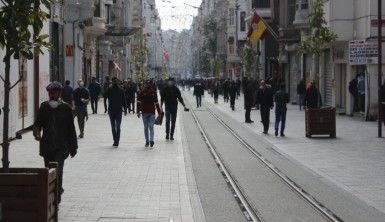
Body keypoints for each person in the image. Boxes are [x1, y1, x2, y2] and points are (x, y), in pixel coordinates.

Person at [33, 81, 78, 203]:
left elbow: (71, 129)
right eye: (50, 93)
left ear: (59, 93)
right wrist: (37, 134)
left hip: (61, 147)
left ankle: (56, 198)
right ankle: (55, 191)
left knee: (58, 172)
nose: (52, 95)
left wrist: (73, 147)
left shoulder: (66, 108)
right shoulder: (44, 107)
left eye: (54, 92)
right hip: (47, 146)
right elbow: (37, 124)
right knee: (48, 171)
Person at [137, 81, 163, 147]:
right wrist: (159, 112)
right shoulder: (153, 92)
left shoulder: (142, 92)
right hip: (151, 112)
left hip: (144, 111)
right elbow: (156, 103)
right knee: (151, 126)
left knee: (146, 127)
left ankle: (147, 141)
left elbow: (139, 102)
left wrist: (138, 111)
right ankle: (151, 140)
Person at [105, 77, 127, 147]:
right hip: (116, 111)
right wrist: (125, 110)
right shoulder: (118, 89)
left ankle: (116, 140)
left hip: (114, 110)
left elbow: (104, 95)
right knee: (116, 126)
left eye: (114, 81)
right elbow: (124, 101)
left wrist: (125, 109)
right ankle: (116, 140)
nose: (114, 82)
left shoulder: (119, 90)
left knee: (114, 126)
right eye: (114, 81)